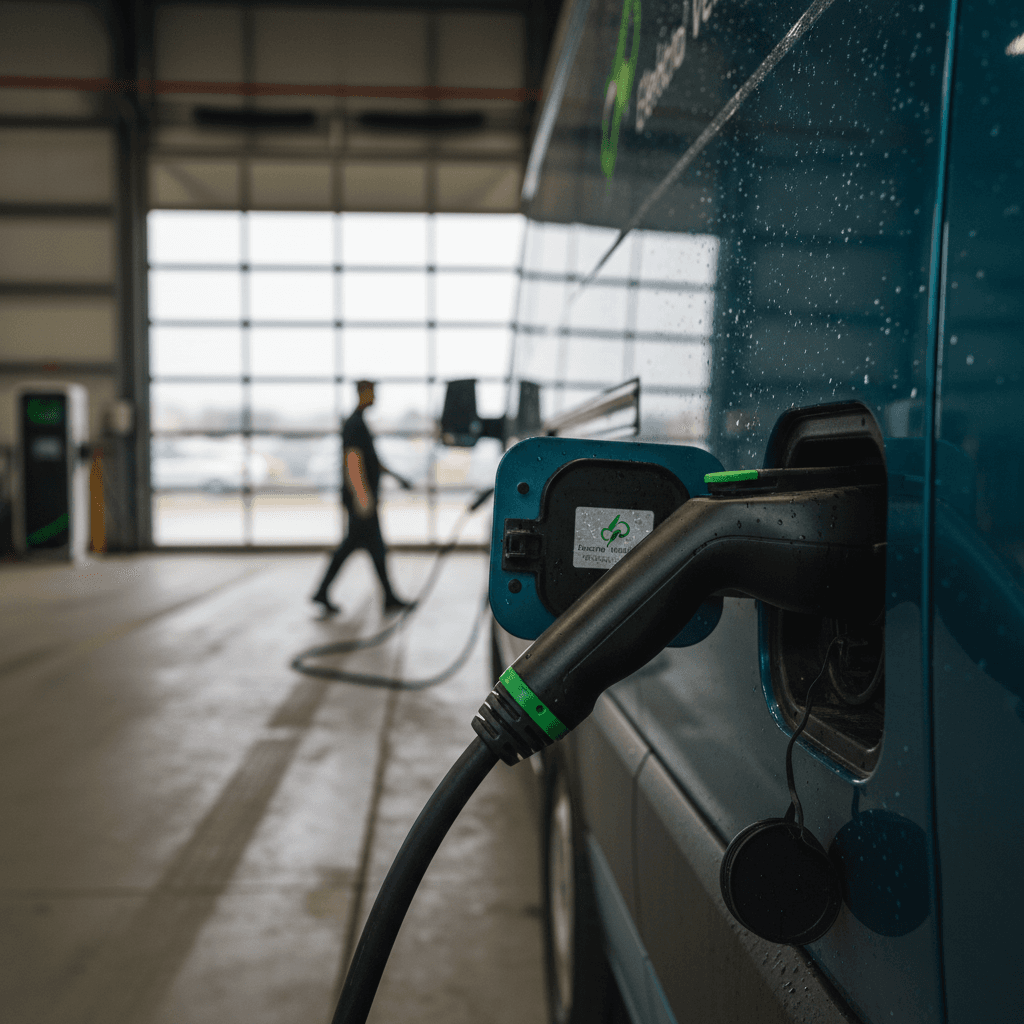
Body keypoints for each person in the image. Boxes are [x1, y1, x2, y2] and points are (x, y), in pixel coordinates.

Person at [312, 380, 413, 615]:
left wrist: (396, 477)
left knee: (369, 547)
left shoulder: (359, 423)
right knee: (358, 547)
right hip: (361, 498)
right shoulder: (354, 424)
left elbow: (372, 461)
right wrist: (362, 496)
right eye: (372, 393)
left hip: (364, 497)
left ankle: (385, 596)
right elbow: (353, 460)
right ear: (362, 393)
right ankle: (325, 591)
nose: (375, 398)